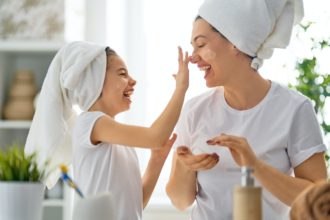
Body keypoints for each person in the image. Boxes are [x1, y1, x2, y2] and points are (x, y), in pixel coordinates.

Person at [166, 0, 328, 219]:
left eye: (201, 45)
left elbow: (320, 202)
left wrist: (255, 166)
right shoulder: (195, 110)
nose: (193, 57)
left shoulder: (294, 109)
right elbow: (180, 201)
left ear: (236, 42)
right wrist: (184, 166)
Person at [25, 41, 189, 220]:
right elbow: (155, 137)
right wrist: (180, 89)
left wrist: (156, 160)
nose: (133, 81)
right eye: (122, 74)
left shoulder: (118, 140)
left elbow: (136, 203)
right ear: (95, 81)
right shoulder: (90, 122)